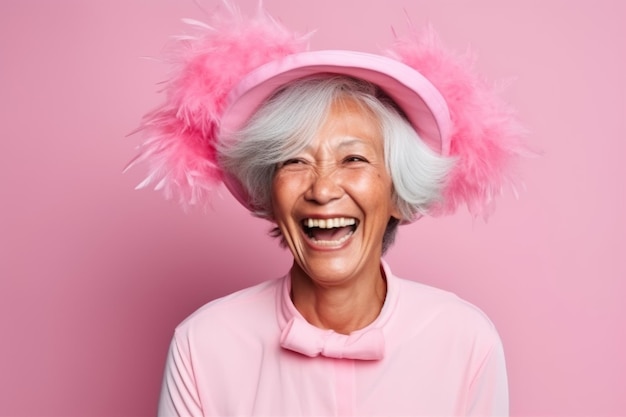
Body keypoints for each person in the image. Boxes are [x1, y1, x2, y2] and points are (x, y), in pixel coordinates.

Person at [130, 4, 525, 416]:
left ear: (397, 192)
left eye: (353, 159)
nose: (322, 189)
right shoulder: (203, 345)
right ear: (269, 191)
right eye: (294, 160)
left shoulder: (465, 341)